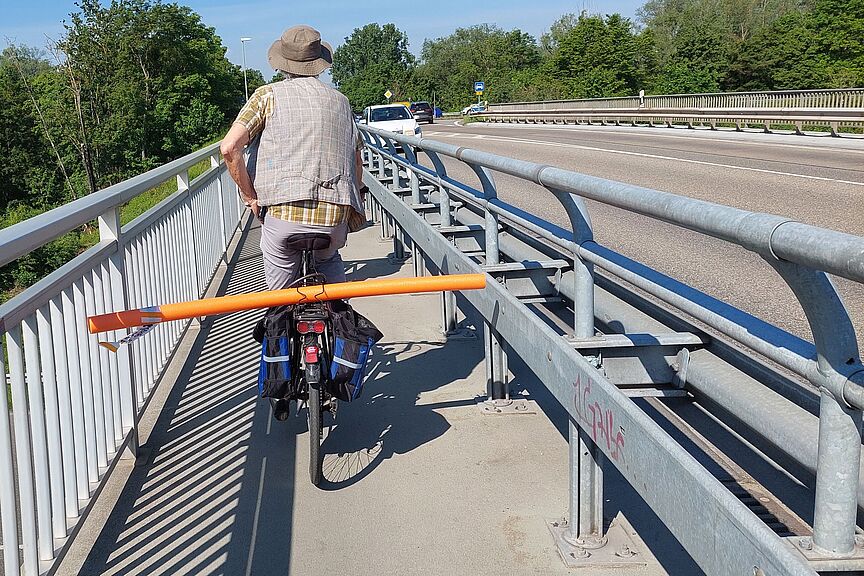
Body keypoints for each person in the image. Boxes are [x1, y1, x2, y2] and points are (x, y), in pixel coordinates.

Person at [220, 25, 366, 290]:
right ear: (319, 63)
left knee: (282, 295)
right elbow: (357, 161)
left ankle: (281, 312)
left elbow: (229, 148)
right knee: (329, 258)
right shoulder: (341, 101)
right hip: (334, 218)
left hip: (283, 215)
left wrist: (250, 197)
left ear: (282, 62)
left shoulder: (267, 96)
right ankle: (339, 310)